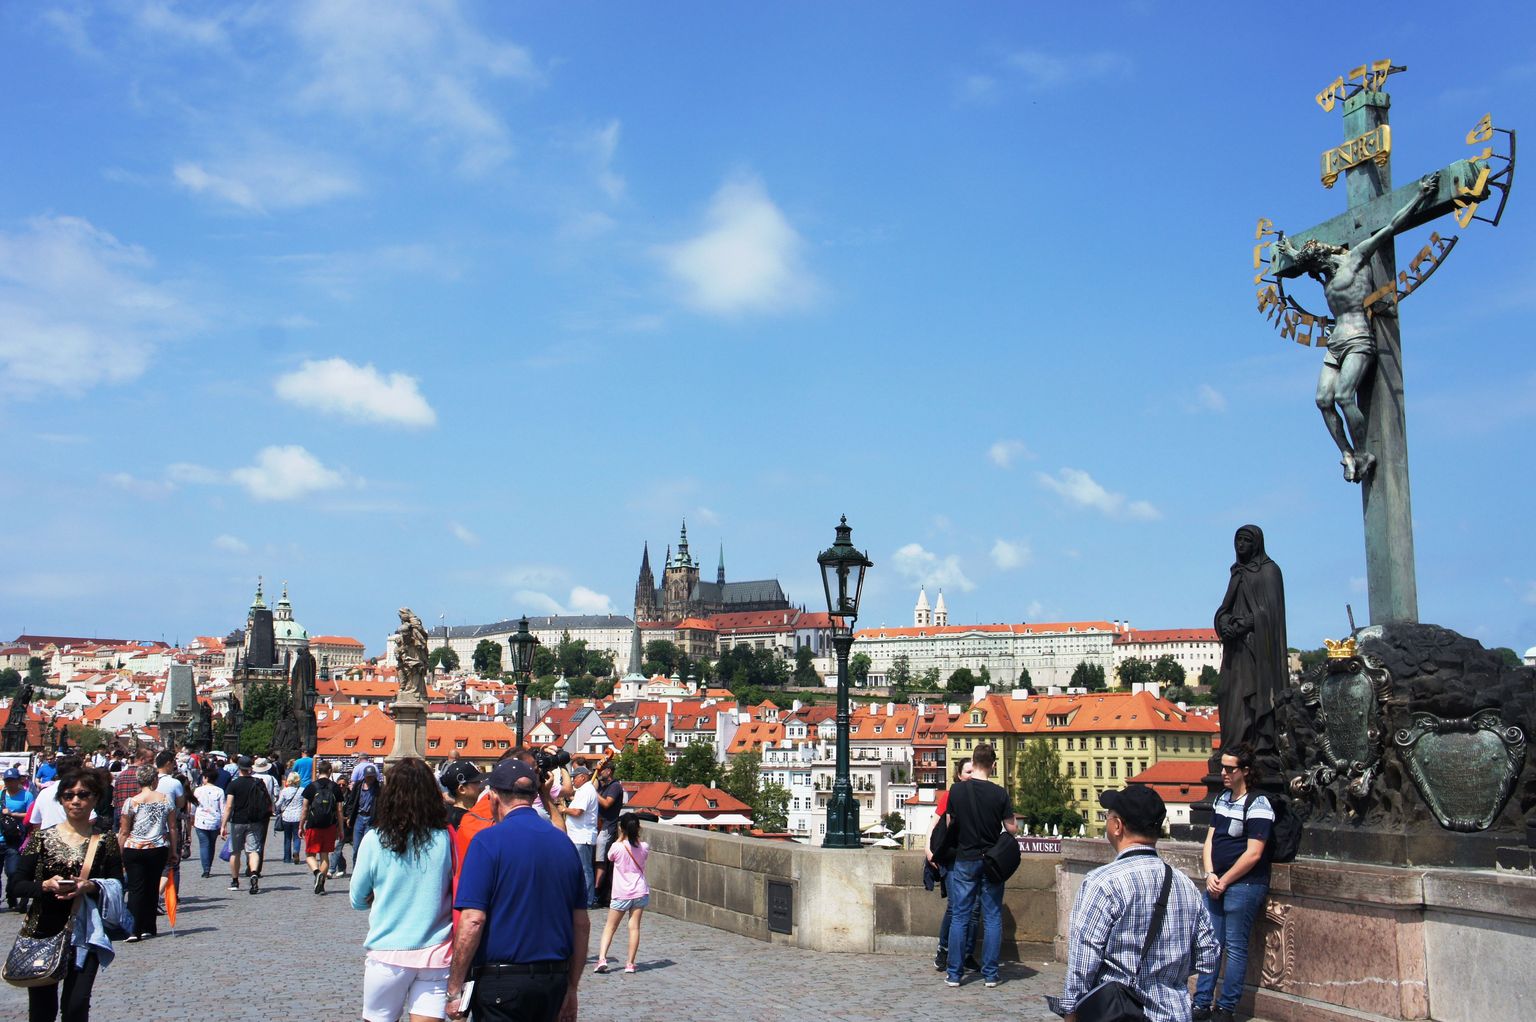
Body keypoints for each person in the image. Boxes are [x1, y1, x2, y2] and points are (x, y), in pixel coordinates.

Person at [1274, 172, 1437, 483]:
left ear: (1328, 257)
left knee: (1344, 396)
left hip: (1359, 337)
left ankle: (1363, 453)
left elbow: (1390, 228)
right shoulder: (1323, 270)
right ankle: (1347, 452)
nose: (1317, 273)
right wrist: (1289, 253)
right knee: (1323, 400)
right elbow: (1301, 259)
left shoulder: (1355, 258)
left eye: (1319, 266)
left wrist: (1420, 196)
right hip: (1335, 342)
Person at [1057, 786, 1219, 1022]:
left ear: (1117, 826)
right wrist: (1167, 972)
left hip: (1119, 1014)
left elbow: (1082, 961)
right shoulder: (1185, 884)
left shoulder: (1102, 882)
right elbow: (1209, 955)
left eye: (1108, 817)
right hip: (1175, 1013)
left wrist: (1071, 1012)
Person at [447, 759, 588, 1022]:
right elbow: (581, 924)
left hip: (501, 983)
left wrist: (455, 987)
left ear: (494, 798)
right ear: (534, 796)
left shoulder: (487, 842)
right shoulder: (564, 844)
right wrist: (572, 987)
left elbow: (473, 920)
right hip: (552, 981)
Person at [13, 765, 125, 1022]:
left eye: (83, 794)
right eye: (69, 795)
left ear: (95, 798)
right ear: (61, 799)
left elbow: (118, 883)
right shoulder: (41, 839)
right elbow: (16, 884)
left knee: (76, 1007)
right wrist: (44, 885)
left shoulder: (104, 841)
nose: (76, 800)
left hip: (85, 933)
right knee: (42, 1011)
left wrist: (91, 886)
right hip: (43, 930)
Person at [350, 758, 455, 1022]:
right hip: (436, 952)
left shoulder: (375, 839)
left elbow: (357, 899)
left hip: (388, 952)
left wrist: (375, 897)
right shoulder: (444, 838)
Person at [1194, 744, 1273, 1022]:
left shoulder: (1258, 803)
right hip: (1217, 881)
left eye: (1230, 768)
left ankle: (1225, 1008)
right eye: (1222, 768)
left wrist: (1225, 880)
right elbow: (1209, 841)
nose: (1224, 773)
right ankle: (1201, 1003)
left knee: (1235, 947)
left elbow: (1254, 853)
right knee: (1211, 945)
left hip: (1244, 884)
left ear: (1246, 771)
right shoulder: (1222, 799)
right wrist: (1210, 874)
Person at [941, 742, 1017, 988]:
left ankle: (954, 973)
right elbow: (1012, 828)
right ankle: (991, 974)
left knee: (960, 916)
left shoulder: (957, 791)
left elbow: (951, 822)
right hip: (991, 860)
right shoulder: (1000, 794)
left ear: (973, 764)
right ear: (993, 765)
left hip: (965, 859)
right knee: (993, 916)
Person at [1213, 525, 1288, 757]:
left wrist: (1244, 624)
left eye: (1246, 540)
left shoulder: (1270, 571)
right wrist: (1223, 622)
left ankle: (1251, 745)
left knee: (1248, 694)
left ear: (1256, 544)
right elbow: (1225, 607)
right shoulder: (1238, 573)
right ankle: (1232, 745)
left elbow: (1271, 613)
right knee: (1226, 693)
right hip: (1234, 649)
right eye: (1237, 540)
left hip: (1257, 649)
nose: (1240, 545)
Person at [926, 757, 980, 974]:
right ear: (959, 775)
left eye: (974, 771)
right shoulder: (951, 795)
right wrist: (928, 850)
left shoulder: (980, 794)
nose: (971, 775)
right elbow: (935, 822)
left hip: (971, 856)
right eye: (968, 771)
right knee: (955, 906)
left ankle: (967, 953)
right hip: (951, 857)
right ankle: (944, 949)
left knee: (975, 908)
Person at [117, 764, 176, 941]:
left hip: (134, 848)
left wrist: (119, 853)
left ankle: (134, 929)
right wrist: (174, 850)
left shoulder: (132, 802)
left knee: (136, 889)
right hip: (157, 848)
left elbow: (124, 831)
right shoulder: (166, 800)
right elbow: (172, 827)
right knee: (152, 886)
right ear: (154, 780)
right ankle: (149, 926)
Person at [593, 812, 649, 975]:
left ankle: (602, 959)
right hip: (639, 891)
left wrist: (620, 837)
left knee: (610, 927)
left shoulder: (617, 847)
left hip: (621, 893)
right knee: (634, 928)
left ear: (621, 828)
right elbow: (641, 854)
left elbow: (610, 857)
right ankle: (630, 964)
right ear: (638, 828)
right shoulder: (644, 847)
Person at [218, 755, 272, 895]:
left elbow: (229, 806)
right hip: (255, 821)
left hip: (238, 821)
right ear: (250, 768)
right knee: (253, 850)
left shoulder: (234, 784)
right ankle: (254, 873)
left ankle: (235, 881)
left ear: (238, 768)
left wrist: (223, 825)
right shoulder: (258, 782)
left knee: (235, 851)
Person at [302, 760, 345, 895]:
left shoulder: (311, 787)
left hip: (313, 824)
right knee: (324, 855)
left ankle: (317, 872)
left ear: (318, 771)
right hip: (329, 824)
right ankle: (321, 885)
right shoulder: (335, 787)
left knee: (310, 854)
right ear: (330, 771)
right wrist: (340, 829)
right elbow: (339, 810)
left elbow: (304, 808)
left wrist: (300, 825)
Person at [563, 765, 599, 908]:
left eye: (574, 778)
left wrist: (564, 809)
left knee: (585, 869)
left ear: (582, 777)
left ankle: (587, 900)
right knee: (582, 869)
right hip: (577, 835)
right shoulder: (583, 790)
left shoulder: (586, 790)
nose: (572, 781)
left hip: (582, 835)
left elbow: (578, 812)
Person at [3, 766, 37, 912]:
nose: (10, 783)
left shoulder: (27, 796)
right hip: (1, 836)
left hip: (16, 839)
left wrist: (13, 814)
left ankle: (11, 893)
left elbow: (31, 815)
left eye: (12, 780)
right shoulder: (1, 795)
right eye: (7, 780)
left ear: (19, 781)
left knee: (12, 871)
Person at [591, 763, 624, 908]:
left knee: (600, 860)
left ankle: (597, 892)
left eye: (601, 770)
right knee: (596, 859)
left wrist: (594, 792)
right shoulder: (603, 785)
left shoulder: (615, 786)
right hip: (599, 825)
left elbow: (606, 803)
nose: (599, 773)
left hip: (607, 827)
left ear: (609, 771)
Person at [191, 768, 224, 878]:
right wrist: (224, 824)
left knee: (204, 845)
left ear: (206, 778)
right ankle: (209, 865)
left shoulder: (198, 790)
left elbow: (193, 806)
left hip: (201, 820)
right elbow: (223, 808)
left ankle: (206, 869)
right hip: (215, 820)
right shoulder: (219, 791)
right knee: (212, 844)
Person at [347, 764, 381, 860]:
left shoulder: (378, 788)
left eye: (372, 777)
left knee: (367, 847)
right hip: (359, 818)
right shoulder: (358, 786)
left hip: (371, 819)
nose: (371, 779)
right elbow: (351, 801)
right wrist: (349, 816)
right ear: (365, 776)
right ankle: (355, 870)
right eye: (369, 776)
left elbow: (382, 804)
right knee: (356, 847)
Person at [275, 772, 305, 864]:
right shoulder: (302, 790)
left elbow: (278, 804)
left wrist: (278, 809)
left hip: (286, 816)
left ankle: (287, 858)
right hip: (298, 816)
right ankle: (296, 851)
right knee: (297, 836)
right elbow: (305, 804)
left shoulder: (285, 791)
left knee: (287, 838)